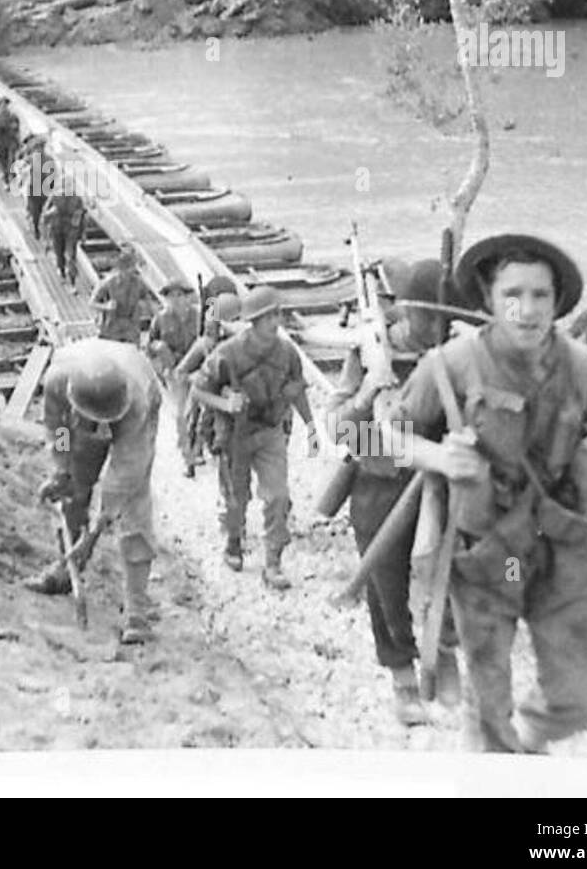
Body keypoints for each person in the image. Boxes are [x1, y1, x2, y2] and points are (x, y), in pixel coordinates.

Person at [384, 233, 587, 754]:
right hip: (485, 553)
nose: (526, 310)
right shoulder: (450, 364)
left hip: (561, 549)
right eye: (513, 294)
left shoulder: (586, 370)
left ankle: (525, 737)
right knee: (487, 709)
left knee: (582, 698)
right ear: (489, 297)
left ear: (557, 300)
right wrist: (435, 456)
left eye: (540, 295)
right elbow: (376, 435)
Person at [326, 258, 460, 726]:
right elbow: (340, 431)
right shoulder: (370, 352)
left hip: (439, 483)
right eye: (428, 316)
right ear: (405, 309)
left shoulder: (457, 355)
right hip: (380, 482)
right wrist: (368, 392)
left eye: (446, 317)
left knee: (453, 573)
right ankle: (402, 678)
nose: (436, 326)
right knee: (386, 586)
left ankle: (444, 656)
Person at [24, 338, 163, 645]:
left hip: (138, 401)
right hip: (80, 417)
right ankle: (65, 570)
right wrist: (61, 468)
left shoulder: (137, 400)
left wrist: (96, 530)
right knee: (73, 489)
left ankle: (138, 609)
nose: (101, 429)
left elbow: (124, 473)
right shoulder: (58, 381)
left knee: (133, 507)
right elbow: (58, 428)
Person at [191, 286, 316, 589]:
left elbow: (296, 389)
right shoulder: (228, 353)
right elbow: (197, 390)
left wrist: (311, 426)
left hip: (271, 432)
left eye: (278, 314)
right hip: (235, 434)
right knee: (236, 498)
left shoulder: (286, 352)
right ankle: (234, 541)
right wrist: (225, 404)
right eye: (269, 316)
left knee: (278, 496)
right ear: (254, 321)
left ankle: (273, 562)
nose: (276, 321)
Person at [174, 290, 241, 476]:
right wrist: (194, 379)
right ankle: (192, 456)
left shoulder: (240, 344)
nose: (213, 328)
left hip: (231, 394)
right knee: (196, 420)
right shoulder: (203, 345)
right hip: (207, 392)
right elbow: (180, 372)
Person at [91, 243, 149, 345]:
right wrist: (106, 306)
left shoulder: (138, 283)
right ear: (121, 269)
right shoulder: (108, 282)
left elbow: (147, 298)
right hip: (111, 328)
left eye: (133, 268)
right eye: (129, 268)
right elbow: (92, 303)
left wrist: (146, 308)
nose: (132, 272)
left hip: (130, 327)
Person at [42, 175, 87, 286]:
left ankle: (72, 281)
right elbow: (45, 215)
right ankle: (61, 271)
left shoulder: (77, 199)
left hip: (71, 230)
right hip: (57, 229)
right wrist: (51, 213)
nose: (68, 188)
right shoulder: (55, 197)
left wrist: (83, 233)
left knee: (71, 255)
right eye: (66, 186)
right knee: (59, 253)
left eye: (70, 186)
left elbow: (82, 217)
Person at [16, 134, 55, 240]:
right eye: (37, 148)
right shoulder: (32, 159)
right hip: (34, 190)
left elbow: (53, 175)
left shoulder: (48, 159)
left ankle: (44, 232)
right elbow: (20, 167)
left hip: (45, 190)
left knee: (45, 212)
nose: (39, 150)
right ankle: (37, 229)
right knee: (35, 212)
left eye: (41, 147)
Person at [0, 98, 20, 186]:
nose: (4, 107)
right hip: (0, 143)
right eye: (2, 105)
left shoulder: (12, 116)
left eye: (5, 105)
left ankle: (12, 177)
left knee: (12, 159)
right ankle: (5, 178)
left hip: (10, 141)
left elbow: (16, 129)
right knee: (3, 160)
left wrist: (18, 141)